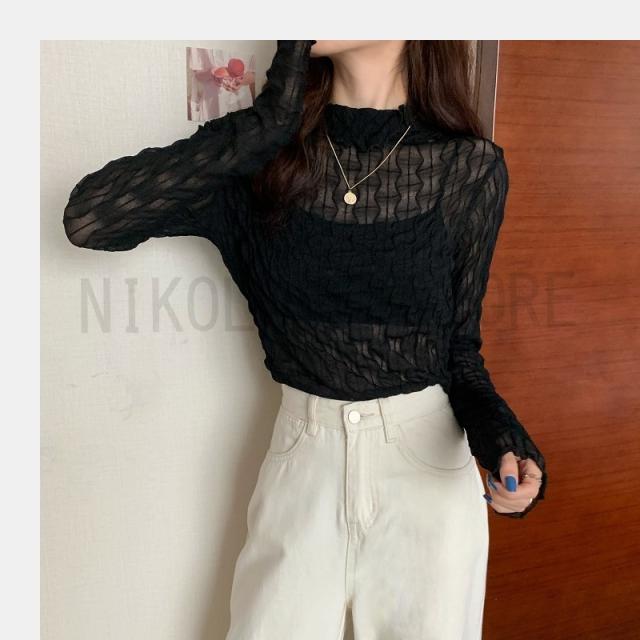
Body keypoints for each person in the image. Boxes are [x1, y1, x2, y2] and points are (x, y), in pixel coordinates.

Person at [62, 40, 547, 640]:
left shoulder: (468, 166)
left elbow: (459, 354)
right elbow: (90, 219)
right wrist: (269, 120)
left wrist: (505, 444)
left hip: (427, 474)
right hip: (302, 464)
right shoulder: (259, 159)